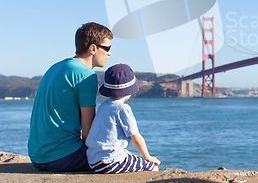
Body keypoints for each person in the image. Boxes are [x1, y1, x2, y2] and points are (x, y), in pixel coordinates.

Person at [27, 22, 113, 172]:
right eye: (107, 48)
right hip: (63, 158)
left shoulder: (55, 68)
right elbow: (89, 134)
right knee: (122, 160)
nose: (109, 53)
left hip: (37, 157)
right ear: (93, 48)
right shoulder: (86, 75)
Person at [86, 64, 160, 173]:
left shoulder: (104, 106)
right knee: (151, 166)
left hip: (94, 162)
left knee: (131, 157)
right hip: (112, 162)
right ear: (130, 90)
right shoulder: (123, 108)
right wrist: (148, 157)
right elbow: (136, 137)